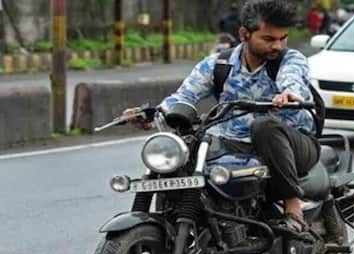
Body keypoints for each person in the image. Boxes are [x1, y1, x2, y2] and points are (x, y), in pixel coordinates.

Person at [128, 0, 319, 234]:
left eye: (283, 38)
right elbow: (184, 96)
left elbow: (293, 80)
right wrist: (148, 113)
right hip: (233, 144)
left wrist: (289, 94)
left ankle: (292, 205)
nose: (277, 45)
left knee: (265, 126)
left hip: (293, 144)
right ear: (244, 34)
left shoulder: (290, 60)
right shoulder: (218, 64)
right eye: (269, 39)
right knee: (189, 146)